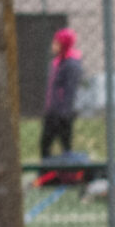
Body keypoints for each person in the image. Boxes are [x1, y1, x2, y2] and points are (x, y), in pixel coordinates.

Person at [41, 27, 84, 160]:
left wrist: (64, 113)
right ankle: (46, 172)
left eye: (57, 43)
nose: (53, 46)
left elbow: (70, 91)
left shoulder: (71, 64)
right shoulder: (56, 62)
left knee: (65, 146)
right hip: (52, 111)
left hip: (62, 113)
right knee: (45, 144)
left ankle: (67, 174)